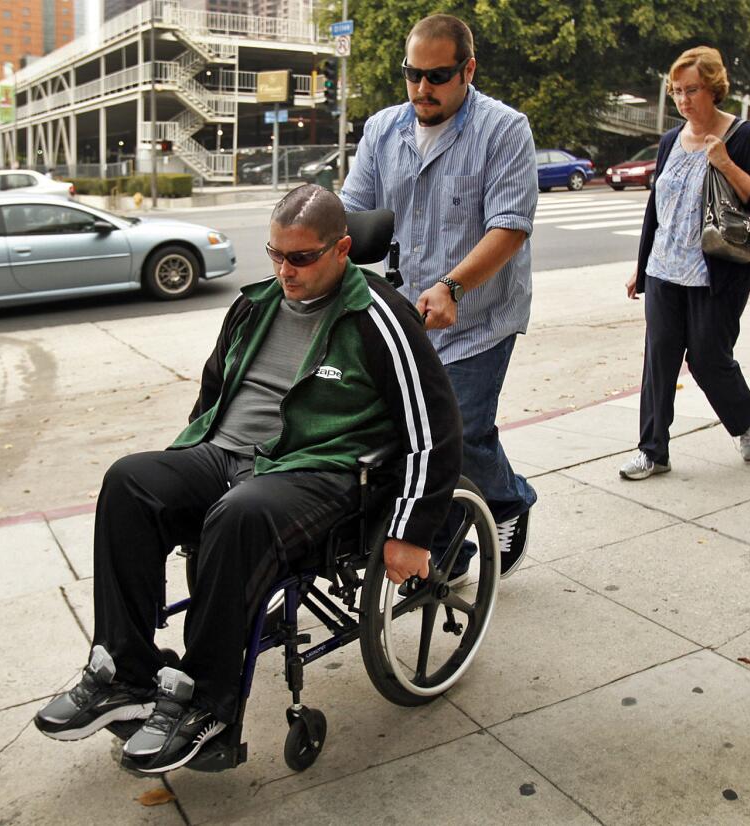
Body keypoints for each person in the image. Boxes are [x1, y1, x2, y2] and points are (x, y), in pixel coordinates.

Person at [34, 185, 461, 774]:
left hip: (317, 468)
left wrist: (412, 531)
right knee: (130, 482)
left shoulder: (381, 320)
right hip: (228, 454)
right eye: (276, 254)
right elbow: (213, 394)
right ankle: (124, 674)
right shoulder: (254, 305)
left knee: (241, 513)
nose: (285, 270)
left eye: (301, 258)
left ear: (341, 250)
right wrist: (184, 469)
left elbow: (433, 430)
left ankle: (206, 702)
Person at [341, 13, 537, 579]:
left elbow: (509, 227)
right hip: (408, 317)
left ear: (467, 69)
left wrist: (452, 285)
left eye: (438, 76)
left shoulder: (504, 130)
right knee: (414, 437)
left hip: (480, 314)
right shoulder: (382, 130)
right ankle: (452, 554)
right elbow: (356, 215)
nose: (422, 88)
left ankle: (507, 499)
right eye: (412, 74)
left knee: (463, 434)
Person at [621, 46, 750, 481]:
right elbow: (657, 208)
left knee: (709, 359)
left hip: (718, 273)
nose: (683, 100)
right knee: (659, 361)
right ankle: (653, 451)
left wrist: (726, 164)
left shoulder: (743, 137)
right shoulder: (671, 141)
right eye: (676, 92)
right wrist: (641, 264)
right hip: (664, 270)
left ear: (713, 88)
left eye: (691, 90)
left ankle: (745, 419)